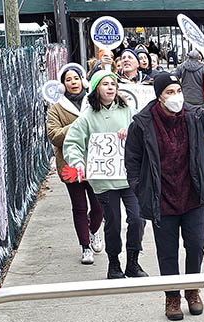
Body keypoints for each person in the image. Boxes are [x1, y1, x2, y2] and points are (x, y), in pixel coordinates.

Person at [124, 71, 204, 320]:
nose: (176, 97)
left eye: (178, 91)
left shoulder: (194, 115)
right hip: (162, 199)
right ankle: (172, 296)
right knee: (167, 252)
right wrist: (141, 189)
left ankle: (192, 290)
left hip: (192, 196)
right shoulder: (142, 123)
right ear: (159, 97)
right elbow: (132, 160)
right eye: (170, 92)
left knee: (196, 246)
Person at [62, 70, 148, 280]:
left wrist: (131, 131)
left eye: (113, 84)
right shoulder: (87, 117)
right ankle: (114, 263)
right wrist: (78, 163)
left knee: (137, 218)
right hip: (103, 180)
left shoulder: (129, 111)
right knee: (113, 222)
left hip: (129, 178)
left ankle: (133, 261)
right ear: (96, 89)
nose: (110, 87)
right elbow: (72, 143)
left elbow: (146, 131)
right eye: (105, 84)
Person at [46, 64, 104, 265]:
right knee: (79, 207)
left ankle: (93, 230)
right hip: (70, 164)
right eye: (68, 80)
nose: (73, 82)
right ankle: (85, 247)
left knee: (99, 205)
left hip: (95, 162)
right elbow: (54, 136)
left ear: (83, 81)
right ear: (62, 85)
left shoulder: (94, 102)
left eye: (76, 78)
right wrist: (77, 126)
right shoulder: (56, 109)